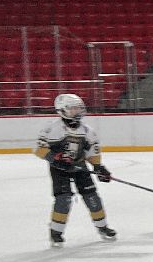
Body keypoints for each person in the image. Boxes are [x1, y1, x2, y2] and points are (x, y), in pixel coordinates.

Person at [37, 94, 116, 248]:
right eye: (72, 108)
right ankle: (56, 233)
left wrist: (99, 167)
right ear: (62, 110)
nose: (77, 111)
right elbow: (40, 149)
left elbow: (92, 152)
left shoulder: (87, 131)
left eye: (78, 108)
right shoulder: (51, 129)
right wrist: (56, 159)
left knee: (92, 196)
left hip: (80, 167)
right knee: (64, 199)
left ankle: (103, 227)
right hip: (59, 169)